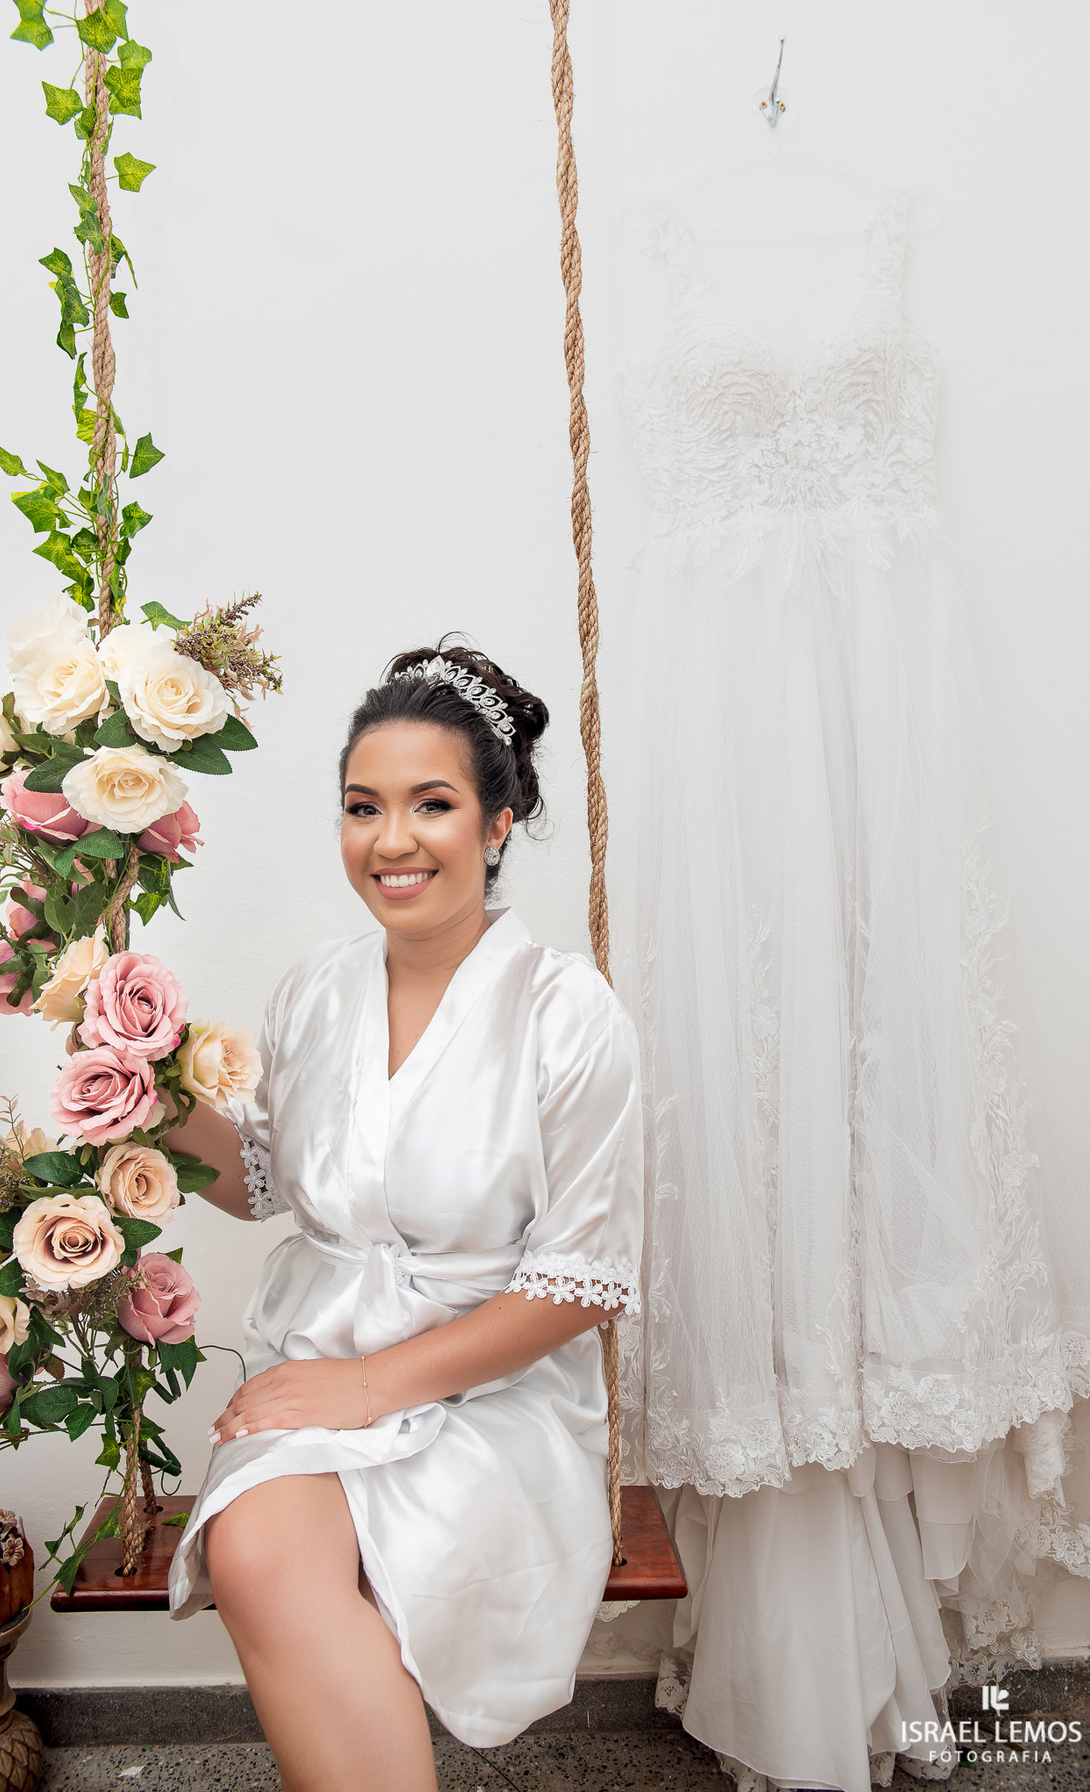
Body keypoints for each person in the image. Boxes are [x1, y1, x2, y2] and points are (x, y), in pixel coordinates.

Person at [165, 644, 644, 1792]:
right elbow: (265, 1185)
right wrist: (149, 1089)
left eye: (432, 804)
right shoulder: (314, 993)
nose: (391, 840)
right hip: (324, 1365)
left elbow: (579, 1287)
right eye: (362, 808)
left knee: (312, 1562)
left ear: (500, 820)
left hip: (493, 1393)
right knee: (257, 1549)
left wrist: (370, 1388)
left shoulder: (569, 1016)